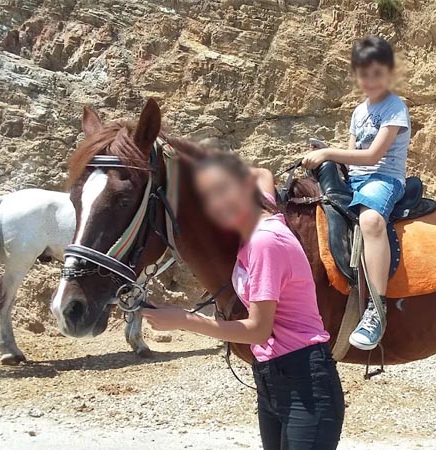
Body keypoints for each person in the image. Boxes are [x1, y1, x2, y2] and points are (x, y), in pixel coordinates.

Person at [141, 152, 344, 450]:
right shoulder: (259, 220)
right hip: (271, 380)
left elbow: (258, 330)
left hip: (305, 385)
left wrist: (183, 320)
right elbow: (262, 171)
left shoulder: (264, 241)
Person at [301, 35, 410, 351]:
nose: (370, 80)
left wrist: (329, 153)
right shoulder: (358, 112)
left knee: (372, 222)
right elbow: (351, 155)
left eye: (377, 73)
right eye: (364, 74)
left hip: (384, 179)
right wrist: (325, 157)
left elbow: (373, 156)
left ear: (389, 74)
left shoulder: (395, 108)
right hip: (357, 181)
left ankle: (377, 309)